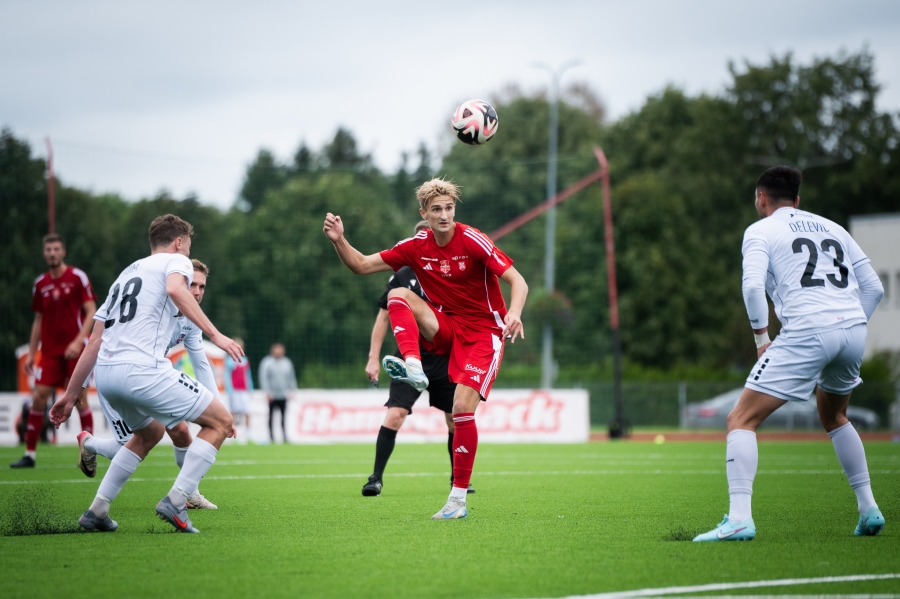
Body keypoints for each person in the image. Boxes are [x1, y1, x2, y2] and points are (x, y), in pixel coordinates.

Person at [693, 166, 886, 542]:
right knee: (835, 417)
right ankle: (869, 509)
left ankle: (739, 520)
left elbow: (752, 288)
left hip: (808, 330)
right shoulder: (834, 228)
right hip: (853, 329)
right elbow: (875, 288)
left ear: (761, 198)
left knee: (740, 419)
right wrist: (848, 326)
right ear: (797, 200)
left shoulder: (760, 230)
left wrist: (761, 339)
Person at [323, 178, 528, 519]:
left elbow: (518, 280)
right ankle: (414, 366)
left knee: (461, 410)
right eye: (436, 210)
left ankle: (457, 500)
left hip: (484, 334)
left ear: (454, 209)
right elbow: (360, 265)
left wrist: (515, 313)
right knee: (397, 296)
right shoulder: (415, 247)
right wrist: (339, 240)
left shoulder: (473, 240)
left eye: (449, 208)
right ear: (424, 214)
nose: (444, 215)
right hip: (448, 328)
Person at [49, 214, 243, 534]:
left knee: (148, 434)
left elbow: (95, 340)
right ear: (178, 243)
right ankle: (177, 501)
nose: (187, 259)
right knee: (221, 422)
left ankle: (97, 510)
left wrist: (70, 395)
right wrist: (217, 335)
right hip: (142, 370)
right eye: (187, 248)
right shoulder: (176, 262)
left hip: (107, 374)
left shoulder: (125, 275)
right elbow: (175, 289)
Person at [75, 259, 220, 509]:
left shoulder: (190, 319)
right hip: (116, 374)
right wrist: (81, 383)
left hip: (150, 377)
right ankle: (89, 444)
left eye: (202, 286)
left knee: (181, 431)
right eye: (192, 284)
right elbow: (101, 337)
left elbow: (201, 362)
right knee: (130, 444)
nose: (197, 292)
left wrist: (217, 406)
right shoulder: (153, 304)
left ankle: (189, 494)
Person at [362, 221, 473, 497]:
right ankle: (375, 478)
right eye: (420, 238)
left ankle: (457, 479)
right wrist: (373, 358)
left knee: (454, 419)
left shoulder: (451, 269)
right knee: (395, 415)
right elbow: (383, 318)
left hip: (446, 356)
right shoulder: (403, 274)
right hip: (411, 356)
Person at [12, 233, 97, 469]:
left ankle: (87, 454)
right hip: (49, 352)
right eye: (48, 249)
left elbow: (91, 310)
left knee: (79, 399)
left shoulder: (77, 277)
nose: (52, 253)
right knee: (38, 397)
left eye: (56, 249)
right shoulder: (40, 283)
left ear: (63, 252)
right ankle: (29, 454)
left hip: (75, 351)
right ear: (44, 253)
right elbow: (38, 320)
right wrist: (32, 354)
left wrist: (78, 341)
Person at [259, 343, 296, 443]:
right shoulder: (267, 362)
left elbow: (291, 377)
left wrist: (292, 390)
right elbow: (264, 378)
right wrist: (267, 392)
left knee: (283, 417)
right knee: (271, 416)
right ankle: (271, 437)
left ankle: (284, 436)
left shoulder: (287, 363)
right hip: (272, 395)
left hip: (283, 395)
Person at [225, 337, 253, 442]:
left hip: (244, 391)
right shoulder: (230, 360)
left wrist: (250, 389)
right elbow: (227, 376)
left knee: (247, 412)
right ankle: (233, 436)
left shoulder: (245, 360)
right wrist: (230, 390)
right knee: (234, 413)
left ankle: (248, 435)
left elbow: (248, 376)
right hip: (235, 391)